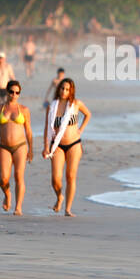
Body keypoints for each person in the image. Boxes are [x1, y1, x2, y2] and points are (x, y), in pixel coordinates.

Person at [43, 77, 90, 217]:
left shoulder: (76, 104)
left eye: (67, 89)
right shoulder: (52, 106)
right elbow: (47, 128)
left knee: (70, 176)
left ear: (71, 91)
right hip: (57, 145)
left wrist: (80, 130)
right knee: (56, 178)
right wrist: (46, 147)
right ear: (59, 89)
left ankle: (68, 209)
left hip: (74, 144)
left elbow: (88, 115)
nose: (64, 91)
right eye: (62, 88)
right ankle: (59, 197)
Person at [0, 79, 33, 215]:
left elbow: (28, 130)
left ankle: (18, 207)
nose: (14, 95)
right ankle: (7, 194)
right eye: (11, 92)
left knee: (19, 176)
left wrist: (31, 149)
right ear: (7, 92)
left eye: (17, 92)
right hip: (4, 147)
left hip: (20, 146)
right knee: (3, 179)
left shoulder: (24, 110)